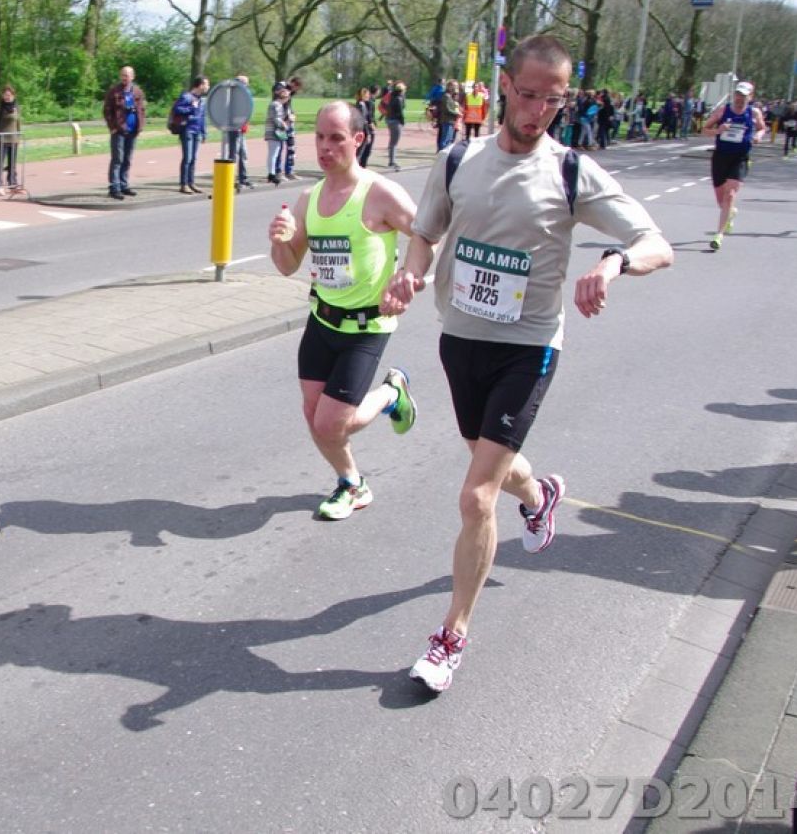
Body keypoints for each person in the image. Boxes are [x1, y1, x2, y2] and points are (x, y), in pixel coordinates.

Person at [380, 34, 674, 693]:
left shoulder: (571, 172)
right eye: (530, 94)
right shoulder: (458, 160)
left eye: (554, 99)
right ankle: (541, 496)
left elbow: (656, 242)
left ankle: (451, 636)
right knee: (492, 463)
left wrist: (614, 262)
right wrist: (410, 273)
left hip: (529, 347)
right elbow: (425, 234)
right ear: (505, 87)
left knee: (476, 494)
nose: (539, 110)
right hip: (461, 339)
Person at [267, 101, 420, 521]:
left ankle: (391, 393)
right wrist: (279, 242)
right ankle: (352, 482)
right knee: (314, 414)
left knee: (330, 423)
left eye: (336, 138)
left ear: (358, 139)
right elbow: (287, 266)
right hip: (322, 321)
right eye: (320, 137)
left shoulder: (380, 193)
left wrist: (407, 276)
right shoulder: (309, 199)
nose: (325, 147)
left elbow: (428, 234)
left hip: (367, 326)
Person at [701, 81, 766, 252]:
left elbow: (762, 128)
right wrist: (718, 130)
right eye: (737, 95)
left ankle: (719, 235)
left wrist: (758, 136)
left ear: (750, 97)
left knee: (730, 194)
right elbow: (704, 129)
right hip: (721, 156)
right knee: (720, 199)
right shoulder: (723, 111)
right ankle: (730, 213)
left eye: (743, 96)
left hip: (740, 157)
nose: (739, 99)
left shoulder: (754, 112)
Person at [103, 66, 145, 200]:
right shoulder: (114, 91)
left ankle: (123, 184)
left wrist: (140, 126)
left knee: (127, 159)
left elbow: (141, 110)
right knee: (117, 159)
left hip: (132, 131)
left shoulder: (137, 92)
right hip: (119, 130)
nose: (124, 78)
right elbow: (107, 111)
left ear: (132, 76)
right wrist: (112, 127)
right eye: (122, 75)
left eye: (126, 75)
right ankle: (114, 187)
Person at [174, 75, 209, 194]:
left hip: (197, 131)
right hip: (187, 130)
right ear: (200, 85)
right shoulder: (186, 96)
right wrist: (191, 108)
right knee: (187, 158)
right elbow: (177, 109)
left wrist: (204, 132)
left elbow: (203, 117)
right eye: (207, 84)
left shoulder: (202, 100)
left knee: (193, 158)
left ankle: (191, 182)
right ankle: (183, 184)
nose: (208, 87)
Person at [0, 84, 22, 195]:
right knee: (0, 162)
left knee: (12, 163)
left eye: (9, 95)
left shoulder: (16, 107)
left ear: (13, 96)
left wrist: (18, 136)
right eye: (5, 95)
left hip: (13, 139)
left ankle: (12, 183)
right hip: (2, 139)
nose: (7, 97)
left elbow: (18, 123)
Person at [275, 76, 304, 180]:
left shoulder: (291, 92)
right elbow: (277, 97)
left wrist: (292, 114)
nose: (296, 90)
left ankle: (289, 171)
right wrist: (284, 91)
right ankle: (278, 172)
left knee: (291, 148)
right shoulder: (281, 86)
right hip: (281, 123)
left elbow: (288, 105)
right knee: (279, 148)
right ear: (293, 83)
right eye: (296, 87)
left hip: (289, 123)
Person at [265, 83, 291, 184]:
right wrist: (285, 125)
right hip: (274, 132)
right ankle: (271, 174)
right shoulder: (277, 105)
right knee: (273, 154)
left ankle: (271, 173)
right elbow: (277, 119)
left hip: (273, 132)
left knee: (274, 153)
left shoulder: (276, 104)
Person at [234, 74, 254, 189]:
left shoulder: (246, 94)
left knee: (243, 154)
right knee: (234, 155)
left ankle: (243, 178)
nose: (246, 86)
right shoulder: (234, 95)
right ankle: (233, 179)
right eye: (245, 83)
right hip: (234, 129)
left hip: (242, 129)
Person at [384, 82, 406, 170]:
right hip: (395, 121)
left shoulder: (393, 97)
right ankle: (392, 162)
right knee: (394, 142)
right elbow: (400, 112)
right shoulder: (398, 99)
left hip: (390, 120)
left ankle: (391, 160)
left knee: (392, 141)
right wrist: (403, 122)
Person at [354, 86, 376, 167]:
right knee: (360, 152)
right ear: (363, 95)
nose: (368, 96)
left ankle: (360, 167)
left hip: (363, 130)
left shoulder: (362, 104)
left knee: (362, 151)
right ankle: (357, 168)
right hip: (363, 131)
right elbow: (363, 121)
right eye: (367, 94)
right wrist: (368, 133)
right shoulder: (361, 105)